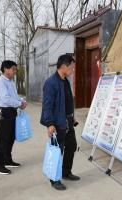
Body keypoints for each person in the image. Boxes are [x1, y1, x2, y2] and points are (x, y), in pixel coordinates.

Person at [40, 54, 80, 190]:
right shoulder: (51, 82)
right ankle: (54, 179)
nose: (73, 70)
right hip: (58, 123)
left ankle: (66, 172)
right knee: (58, 151)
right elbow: (47, 105)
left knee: (71, 146)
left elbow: (67, 101)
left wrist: (72, 115)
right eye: (72, 67)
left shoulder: (65, 81)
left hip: (68, 120)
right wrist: (50, 124)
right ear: (64, 66)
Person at [0, 60, 27, 175]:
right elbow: (6, 99)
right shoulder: (0, 82)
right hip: (3, 112)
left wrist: (22, 101)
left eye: (15, 69)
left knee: (10, 138)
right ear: (5, 69)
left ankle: (7, 160)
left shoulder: (11, 82)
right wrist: (19, 104)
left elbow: (15, 96)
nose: (15, 71)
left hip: (12, 112)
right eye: (13, 68)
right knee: (2, 139)